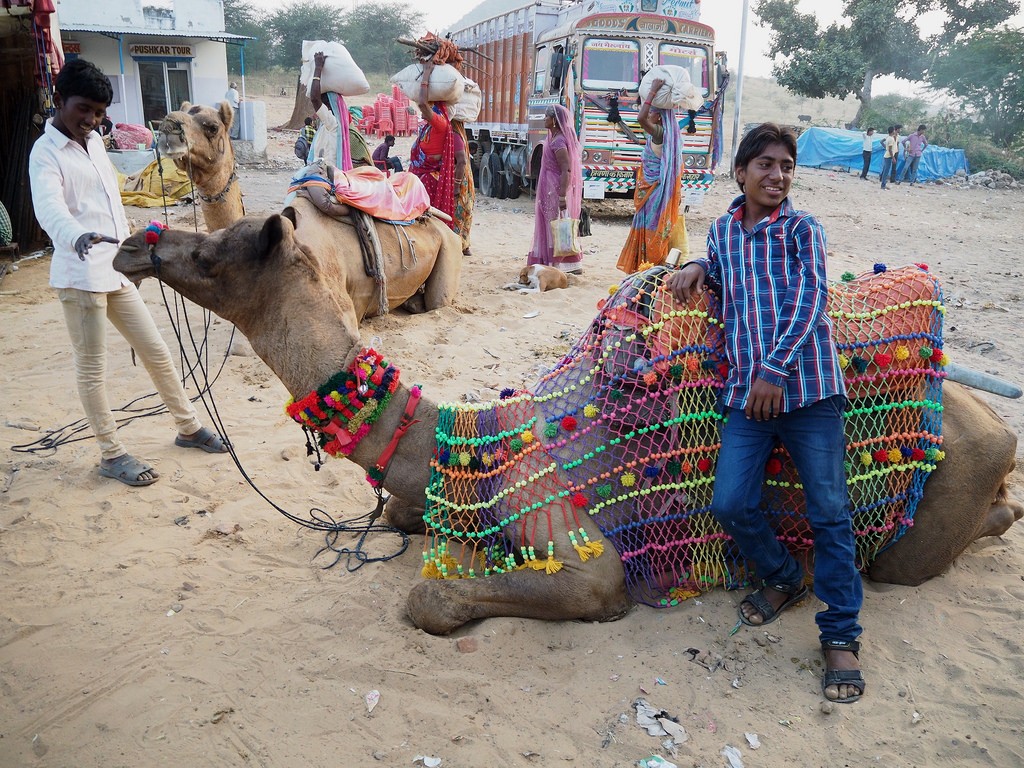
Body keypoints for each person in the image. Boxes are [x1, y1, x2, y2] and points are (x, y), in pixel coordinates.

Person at [665, 122, 865, 705]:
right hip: (746, 398)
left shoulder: (803, 229)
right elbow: (727, 271)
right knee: (729, 502)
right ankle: (782, 576)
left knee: (830, 512)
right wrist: (700, 268)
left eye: (786, 166)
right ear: (741, 172)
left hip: (807, 392)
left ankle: (840, 636)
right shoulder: (724, 230)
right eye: (765, 165)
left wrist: (773, 371)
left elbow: (810, 302)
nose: (777, 175)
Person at [28, 58, 229, 487]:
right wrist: (75, 235)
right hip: (80, 274)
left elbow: (112, 197)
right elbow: (50, 209)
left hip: (118, 268)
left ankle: (188, 427)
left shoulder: (96, 143)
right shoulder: (45, 154)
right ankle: (111, 454)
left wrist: (136, 235)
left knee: (156, 350)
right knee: (92, 367)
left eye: (100, 113)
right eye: (84, 109)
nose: (92, 120)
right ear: (60, 101)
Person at [617, 77, 687, 274]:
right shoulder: (667, 135)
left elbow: (640, 118)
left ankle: (649, 267)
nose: (649, 115)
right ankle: (649, 266)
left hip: (653, 192)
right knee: (655, 229)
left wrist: (653, 92)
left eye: (652, 113)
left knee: (653, 230)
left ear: (659, 117)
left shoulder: (659, 133)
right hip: (656, 191)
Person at [526, 104, 583, 273]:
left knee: (555, 224)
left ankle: (558, 263)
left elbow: (566, 169)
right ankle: (559, 262)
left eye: (546, 116)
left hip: (555, 189)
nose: (544, 119)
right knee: (552, 223)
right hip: (548, 187)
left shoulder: (558, 141)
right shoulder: (553, 137)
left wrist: (562, 196)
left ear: (554, 121)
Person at [409, 60, 458, 228]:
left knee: (425, 219)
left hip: (429, 177)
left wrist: (426, 75)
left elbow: (422, 104)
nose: (424, 110)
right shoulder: (428, 127)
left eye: (430, 107)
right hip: (421, 174)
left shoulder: (440, 124)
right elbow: (421, 103)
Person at [308, 52, 358, 171]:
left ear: (329, 106)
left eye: (323, 104)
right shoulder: (327, 125)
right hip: (323, 171)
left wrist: (318, 68)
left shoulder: (332, 123)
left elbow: (314, 98)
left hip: (326, 173)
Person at [451, 118, 474, 255]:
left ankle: (458, 245)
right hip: (465, 181)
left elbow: (462, 162)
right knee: (465, 212)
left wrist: (456, 185)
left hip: (461, 182)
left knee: (458, 213)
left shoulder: (455, 136)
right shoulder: (460, 136)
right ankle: (464, 245)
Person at [880, 126, 897, 190]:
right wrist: (893, 158)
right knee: (886, 171)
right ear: (893, 131)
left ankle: (883, 184)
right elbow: (890, 150)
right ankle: (883, 185)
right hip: (889, 156)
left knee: (886, 170)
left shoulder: (889, 137)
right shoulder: (891, 139)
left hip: (888, 155)